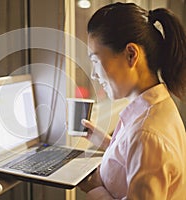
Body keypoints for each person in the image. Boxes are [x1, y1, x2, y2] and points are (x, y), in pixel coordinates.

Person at [78, 2, 186, 199]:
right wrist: (106, 142)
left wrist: (95, 189)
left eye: (95, 60)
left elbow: (145, 144)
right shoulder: (155, 107)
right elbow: (136, 156)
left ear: (131, 54)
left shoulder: (147, 134)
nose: (93, 74)